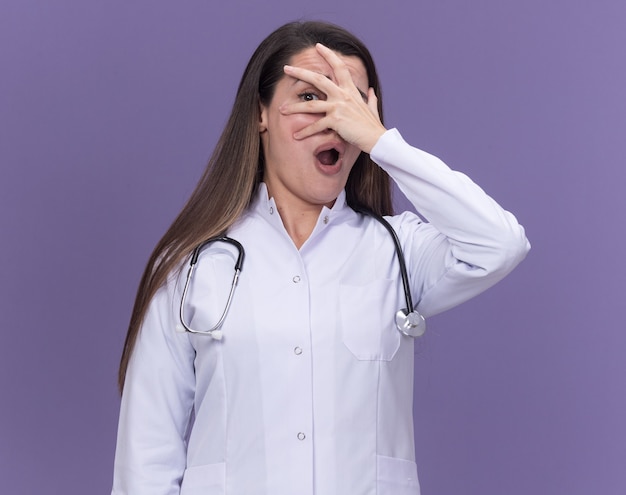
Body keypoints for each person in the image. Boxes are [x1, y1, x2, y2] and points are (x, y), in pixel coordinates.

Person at [111, 20, 530, 495]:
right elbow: (145, 458)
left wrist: (382, 144)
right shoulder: (190, 263)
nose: (334, 117)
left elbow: (500, 245)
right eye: (311, 96)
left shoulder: (398, 251)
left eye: (350, 101)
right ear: (260, 115)